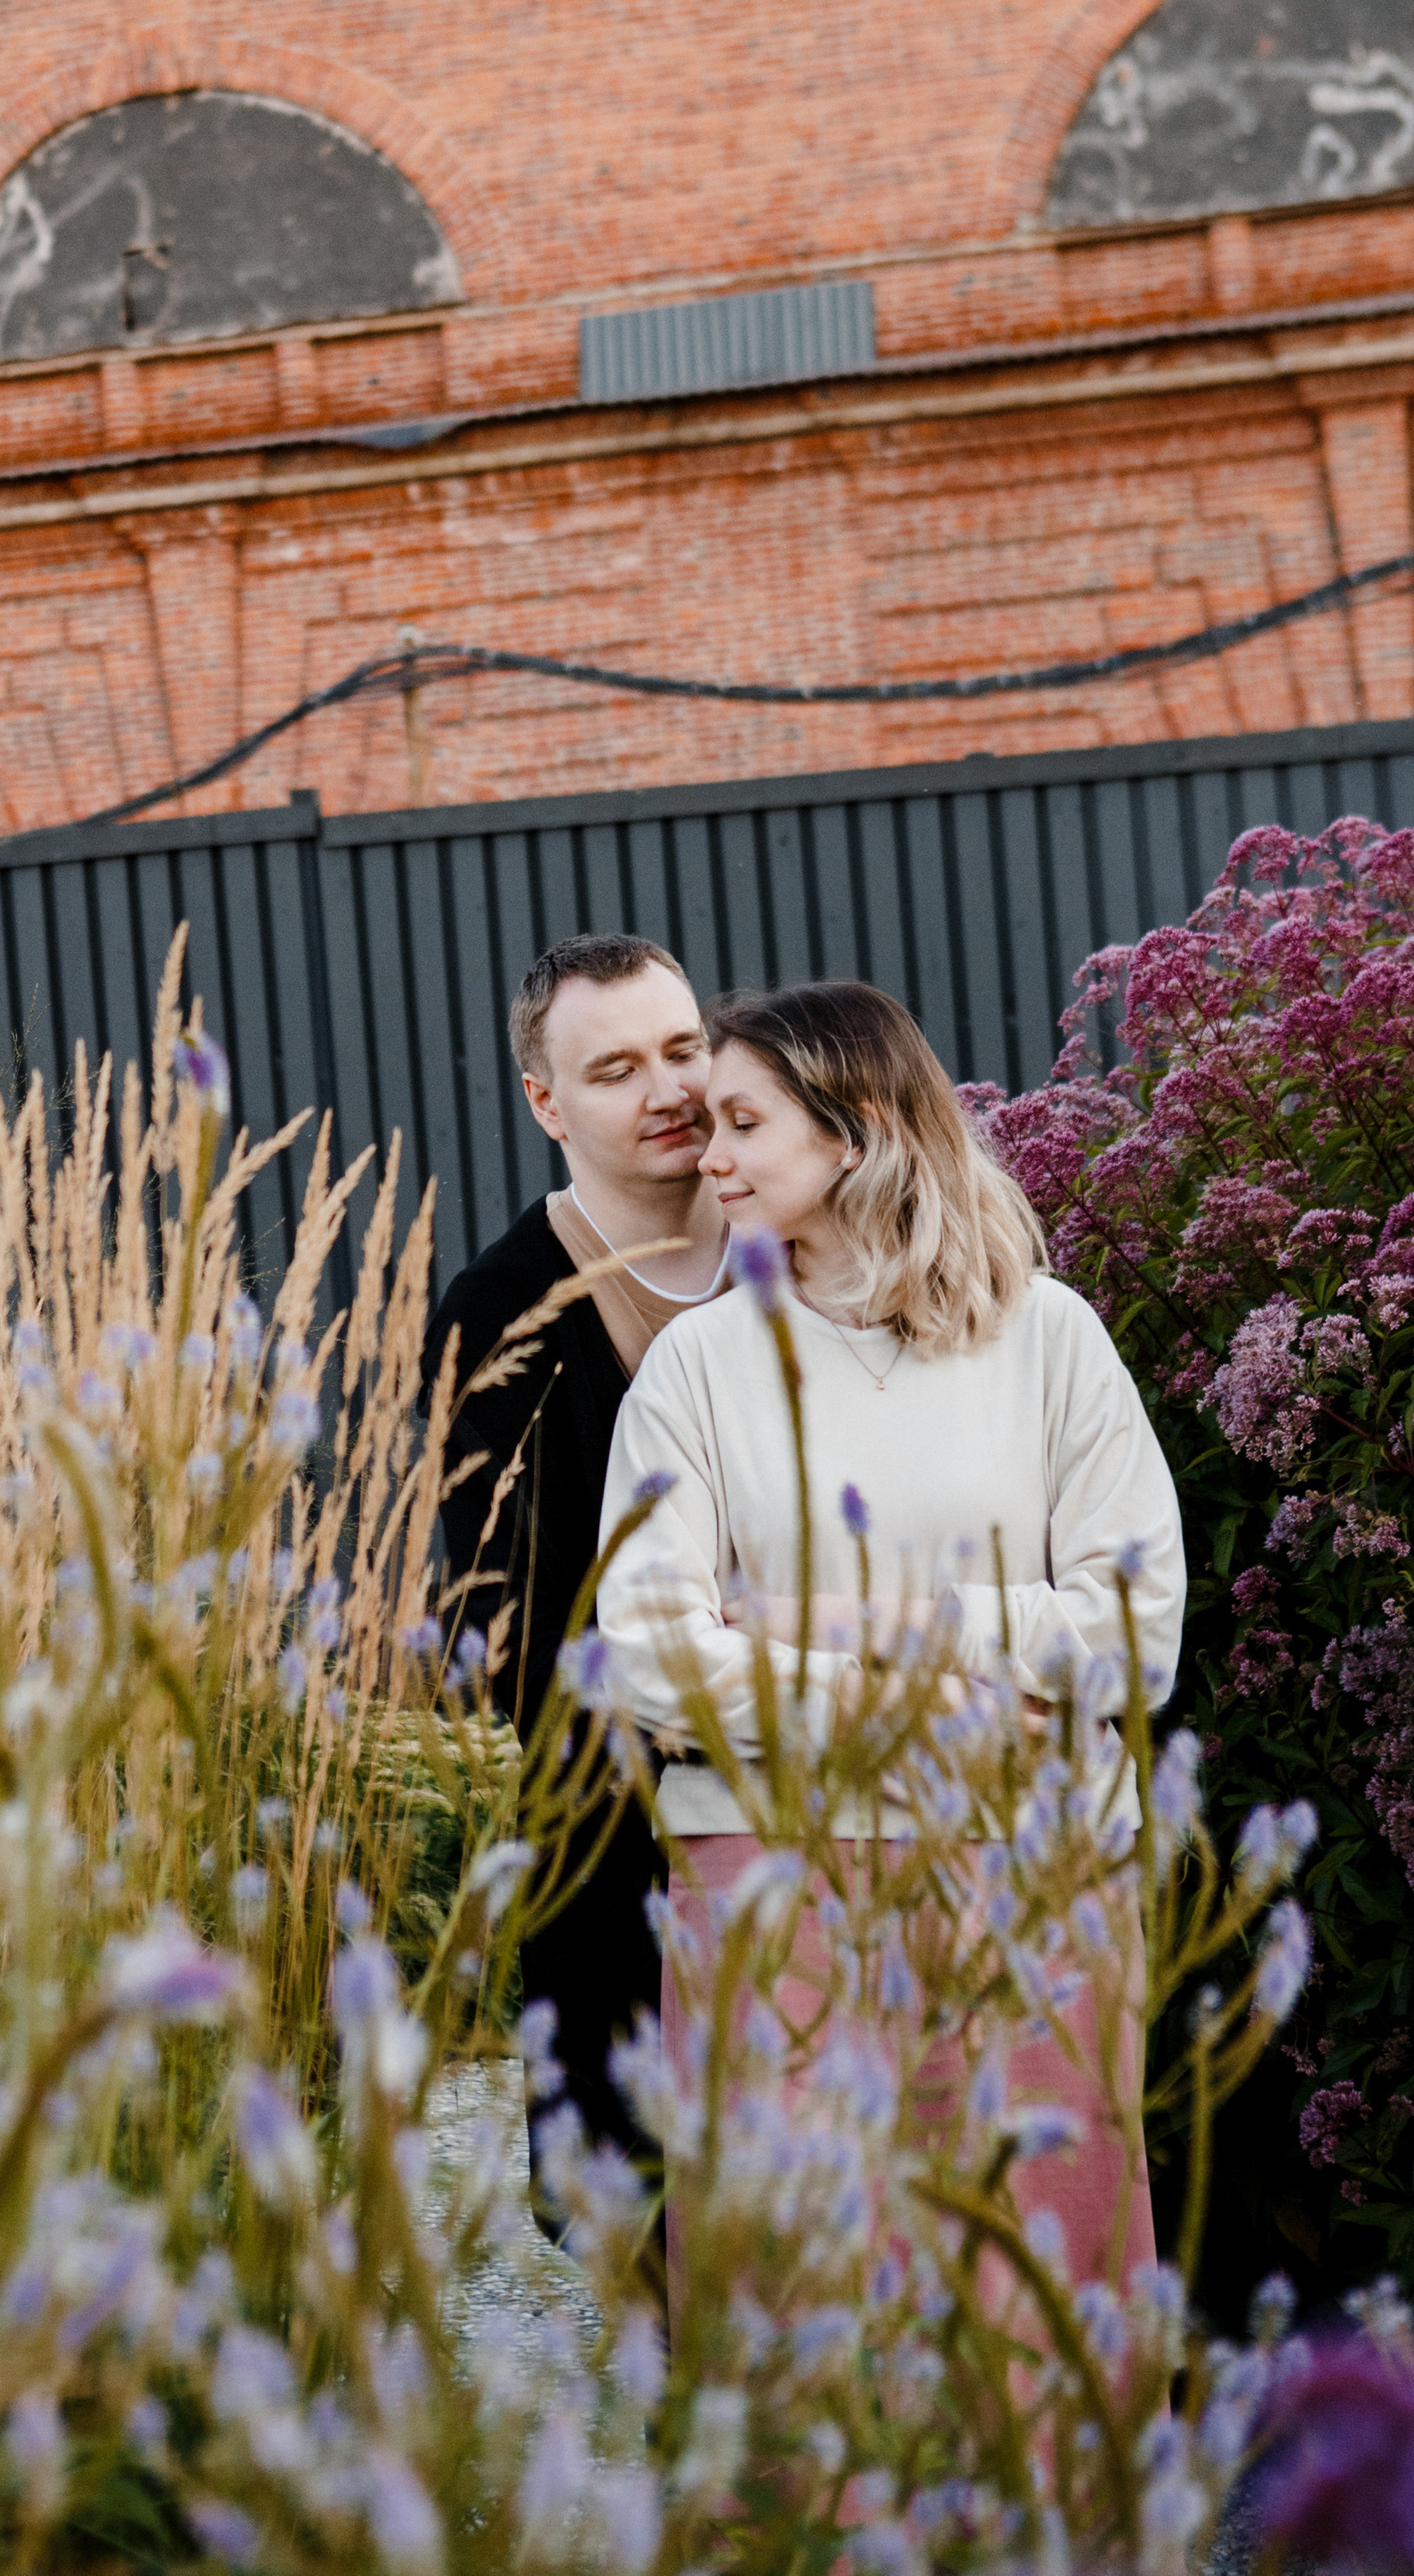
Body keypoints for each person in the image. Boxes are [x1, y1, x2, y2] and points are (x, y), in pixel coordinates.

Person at [596, 977, 1187, 2282]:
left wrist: (855, 1620)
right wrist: (939, 1703)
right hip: (769, 1872)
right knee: (800, 2288)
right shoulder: (698, 1367)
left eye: (744, 1123)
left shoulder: (1051, 1341)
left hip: (1031, 1867)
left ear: (852, 1129)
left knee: (1031, 2277)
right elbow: (646, 1651)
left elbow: (1134, 1630)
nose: (713, 1153)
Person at [425, 931, 729, 2160]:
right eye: (615, 1071)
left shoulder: (819, 1244)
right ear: (546, 1101)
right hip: (630, 1831)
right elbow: (514, 1625)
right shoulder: (501, 1312)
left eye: (685, 1048)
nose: (669, 1092)